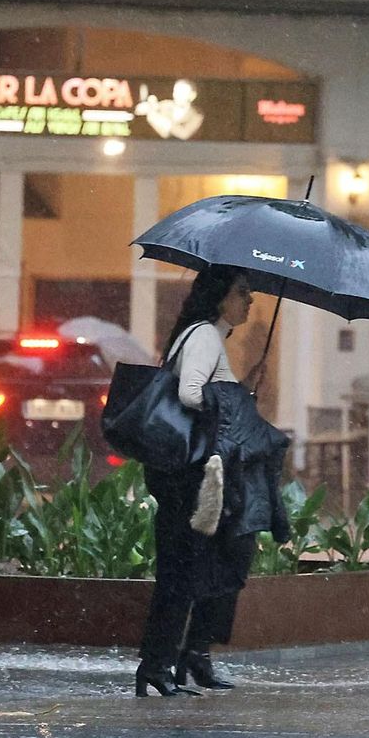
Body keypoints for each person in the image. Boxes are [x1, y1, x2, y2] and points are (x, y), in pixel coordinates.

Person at [135, 265, 256, 697]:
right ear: (220, 295)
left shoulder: (204, 335)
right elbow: (190, 392)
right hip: (192, 477)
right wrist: (234, 397)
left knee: (205, 563)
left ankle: (186, 656)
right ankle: (166, 662)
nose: (250, 300)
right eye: (243, 291)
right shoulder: (204, 334)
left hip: (189, 474)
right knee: (193, 566)